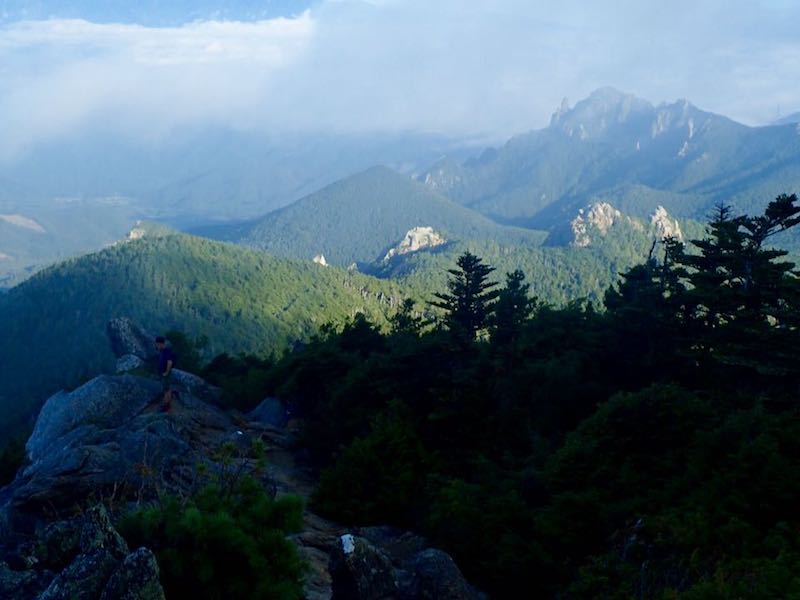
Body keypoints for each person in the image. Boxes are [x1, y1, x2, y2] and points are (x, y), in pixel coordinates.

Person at [154, 336, 176, 412]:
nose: (156, 346)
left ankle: (167, 406)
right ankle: (166, 404)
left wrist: (166, 372)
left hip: (166, 373)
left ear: (160, 344)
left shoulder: (167, 351)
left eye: (157, 344)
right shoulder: (163, 351)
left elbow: (169, 362)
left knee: (167, 389)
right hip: (163, 373)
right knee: (166, 389)